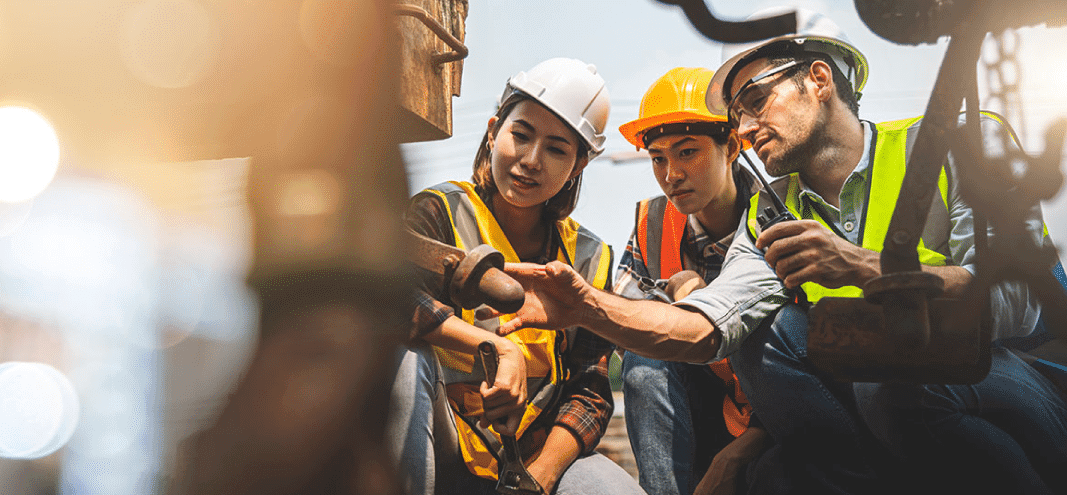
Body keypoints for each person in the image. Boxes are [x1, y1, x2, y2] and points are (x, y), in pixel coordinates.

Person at [488, 9, 1067, 494]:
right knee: (771, 339)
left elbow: (1018, 305)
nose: (744, 126)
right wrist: (588, 307)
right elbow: (712, 326)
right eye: (736, 114)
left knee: (887, 384)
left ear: (818, 79)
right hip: (882, 403)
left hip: (1020, 382)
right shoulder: (770, 212)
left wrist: (864, 266)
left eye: (756, 99)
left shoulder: (957, 143)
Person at [391, 57, 643, 495]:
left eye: (557, 149)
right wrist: (497, 346)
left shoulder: (590, 257)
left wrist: (539, 479)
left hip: (530, 454)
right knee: (401, 358)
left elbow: (590, 391)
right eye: (520, 135)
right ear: (493, 131)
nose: (530, 160)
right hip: (442, 441)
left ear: (579, 165)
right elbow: (397, 302)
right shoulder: (438, 212)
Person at [610, 67, 770, 495]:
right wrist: (677, 290)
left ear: (732, 146)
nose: (671, 174)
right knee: (644, 358)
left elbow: (803, 359)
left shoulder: (778, 219)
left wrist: (736, 455)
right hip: (691, 416)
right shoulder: (652, 225)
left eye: (686, 152)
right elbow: (623, 311)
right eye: (658, 158)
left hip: (777, 422)